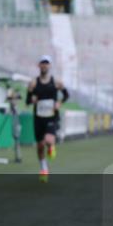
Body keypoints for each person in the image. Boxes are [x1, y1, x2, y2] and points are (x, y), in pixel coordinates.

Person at [27, 55, 68, 183]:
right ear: (39, 65)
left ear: (49, 66)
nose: (44, 65)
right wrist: (31, 100)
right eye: (42, 63)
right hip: (38, 118)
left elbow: (66, 95)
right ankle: (44, 168)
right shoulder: (33, 83)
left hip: (52, 116)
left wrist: (59, 103)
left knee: (49, 139)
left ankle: (51, 146)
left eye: (46, 63)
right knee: (40, 145)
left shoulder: (56, 82)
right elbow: (27, 100)